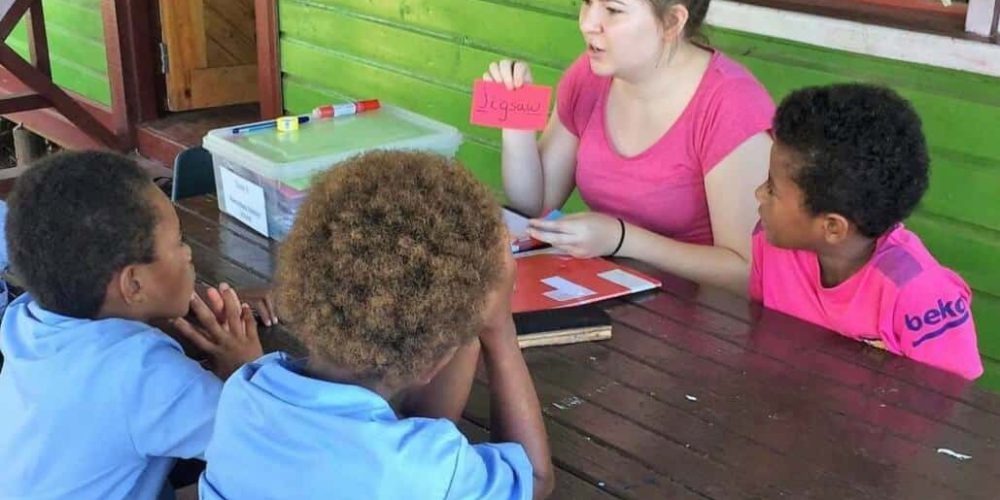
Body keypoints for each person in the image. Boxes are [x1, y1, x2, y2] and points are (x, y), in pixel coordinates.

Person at [200, 151, 555, 499]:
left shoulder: (243, 393)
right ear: (433, 363)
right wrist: (498, 329)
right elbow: (534, 479)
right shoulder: (430, 472)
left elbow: (416, 422)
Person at [0, 151, 263, 498]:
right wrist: (246, 370)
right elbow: (265, 446)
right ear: (134, 285)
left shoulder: (27, 319)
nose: (188, 254)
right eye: (179, 241)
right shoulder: (142, 373)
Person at [486, 0, 774, 293]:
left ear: (673, 22)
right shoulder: (589, 75)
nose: (588, 23)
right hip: (599, 293)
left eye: (613, 10)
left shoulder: (732, 104)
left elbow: (746, 272)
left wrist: (624, 239)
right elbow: (534, 205)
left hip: (698, 318)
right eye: (588, 3)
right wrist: (517, 126)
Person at [752, 84, 982, 380]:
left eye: (772, 188)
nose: (759, 194)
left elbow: (954, 408)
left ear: (832, 227)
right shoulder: (769, 243)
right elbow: (761, 342)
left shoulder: (917, 293)